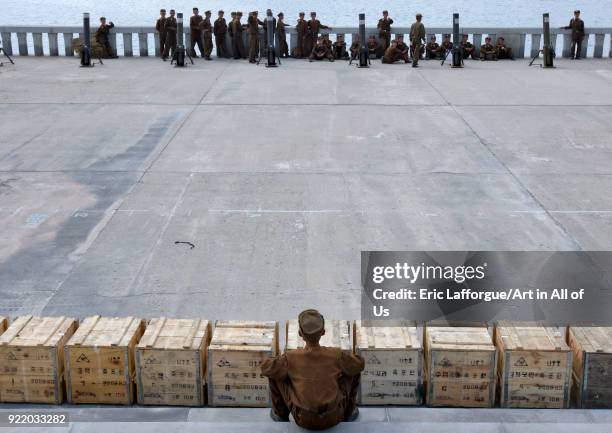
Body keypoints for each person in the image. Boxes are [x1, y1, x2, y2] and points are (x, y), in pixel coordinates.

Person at [261, 310, 364, 430]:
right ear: (323, 332)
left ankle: (280, 414)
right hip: (334, 416)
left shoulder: (290, 357)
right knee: (352, 369)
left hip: (303, 419)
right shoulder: (335, 354)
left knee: (275, 372)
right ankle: (349, 412)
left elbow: (265, 368)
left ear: (300, 333)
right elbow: (360, 364)